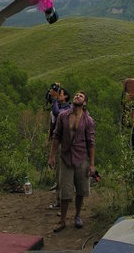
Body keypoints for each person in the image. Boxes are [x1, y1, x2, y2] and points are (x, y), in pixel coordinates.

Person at [48, 91, 95, 232]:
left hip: (82, 158)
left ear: (84, 103)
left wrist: (92, 164)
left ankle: (77, 216)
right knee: (65, 191)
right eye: (76, 95)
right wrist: (51, 156)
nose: (77, 96)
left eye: (81, 96)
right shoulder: (63, 116)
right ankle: (62, 220)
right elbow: (56, 136)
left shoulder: (88, 121)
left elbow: (91, 142)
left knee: (80, 190)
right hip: (66, 158)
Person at [47, 86, 72, 210]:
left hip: (66, 143)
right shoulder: (60, 107)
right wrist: (48, 139)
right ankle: (61, 198)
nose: (58, 95)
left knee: (64, 173)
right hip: (58, 141)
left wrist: (54, 99)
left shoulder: (69, 108)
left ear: (66, 96)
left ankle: (62, 200)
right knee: (58, 173)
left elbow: (57, 113)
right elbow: (52, 124)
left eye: (60, 93)